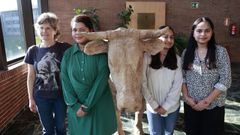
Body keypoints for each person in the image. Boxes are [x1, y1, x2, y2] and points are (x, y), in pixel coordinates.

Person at [60, 14, 117, 135]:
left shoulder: (101, 53)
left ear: (91, 31)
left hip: (99, 105)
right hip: (76, 109)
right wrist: (75, 106)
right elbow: (65, 82)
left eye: (82, 30)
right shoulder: (67, 54)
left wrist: (87, 106)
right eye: (75, 30)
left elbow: (101, 80)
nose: (77, 33)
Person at [182, 17, 231, 135]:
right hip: (191, 105)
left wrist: (206, 102)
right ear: (193, 33)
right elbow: (182, 78)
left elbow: (226, 80)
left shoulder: (220, 52)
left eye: (207, 30)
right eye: (199, 31)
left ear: (212, 32)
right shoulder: (187, 52)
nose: (203, 34)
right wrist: (187, 98)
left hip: (214, 105)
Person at [24, 12, 70, 135]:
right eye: (41, 28)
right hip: (41, 97)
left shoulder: (64, 48)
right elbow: (31, 76)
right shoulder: (33, 50)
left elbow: (80, 52)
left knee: (61, 127)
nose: (44, 31)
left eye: (48, 28)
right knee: (48, 130)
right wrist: (30, 98)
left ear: (55, 30)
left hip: (60, 95)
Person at [141, 25, 183, 135]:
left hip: (172, 107)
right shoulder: (147, 57)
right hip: (152, 107)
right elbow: (143, 82)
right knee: (155, 133)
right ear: (157, 38)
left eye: (172, 37)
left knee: (169, 133)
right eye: (165, 36)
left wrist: (166, 106)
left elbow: (177, 85)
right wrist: (154, 105)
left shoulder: (177, 60)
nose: (169, 40)